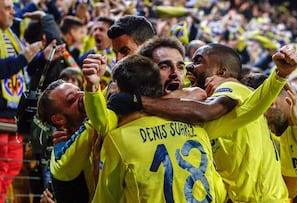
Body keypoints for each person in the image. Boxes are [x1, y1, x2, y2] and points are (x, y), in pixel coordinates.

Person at [132, 43, 297, 202]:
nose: (190, 66)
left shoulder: (232, 88)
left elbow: (206, 111)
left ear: (221, 72)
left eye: (198, 62)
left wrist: (136, 102)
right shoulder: (199, 98)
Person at [82, 54, 227, 203]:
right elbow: (218, 192)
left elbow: (106, 198)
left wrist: (91, 86)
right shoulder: (198, 129)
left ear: (119, 92)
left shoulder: (119, 139)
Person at [0, 0, 64, 200]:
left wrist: (42, 58)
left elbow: (22, 72)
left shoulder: (11, 35)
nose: (13, 12)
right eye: (7, 8)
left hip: (13, 118)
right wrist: (24, 58)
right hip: (1, 118)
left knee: (13, 165)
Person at [37, 80, 96, 203]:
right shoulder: (61, 154)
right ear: (58, 119)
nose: (82, 96)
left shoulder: (105, 124)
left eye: (80, 90)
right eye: (71, 100)